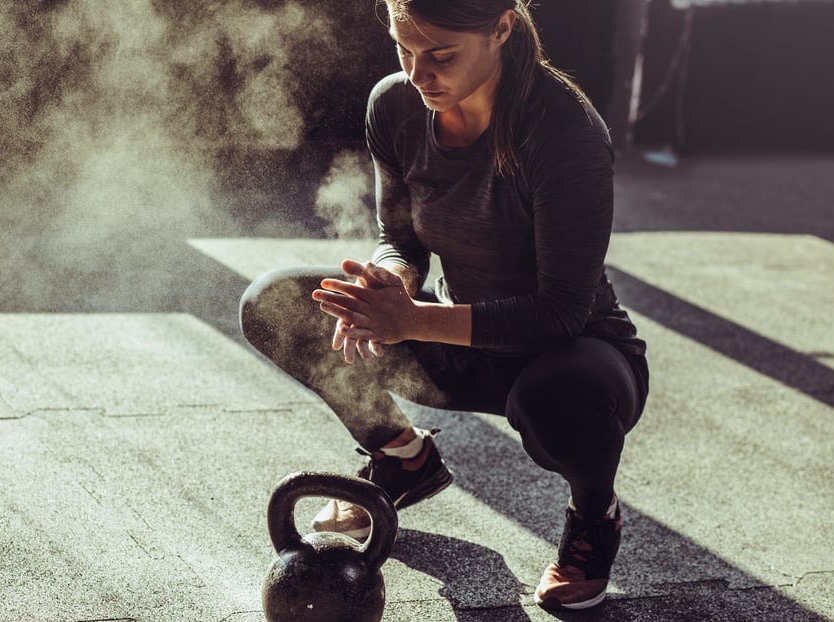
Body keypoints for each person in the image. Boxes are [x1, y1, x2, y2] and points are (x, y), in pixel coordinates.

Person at [240, 0, 648, 611]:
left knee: (555, 397)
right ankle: (402, 458)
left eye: (441, 55)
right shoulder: (397, 104)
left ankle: (594, 516)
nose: (419, 72)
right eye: (405, 49)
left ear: (502, 28)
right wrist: (388, 284)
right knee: (274, 302)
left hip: (572, 357)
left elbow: (560, 310)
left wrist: (412, 320)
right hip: (460, 346)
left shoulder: (566, 131)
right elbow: (400, 240)